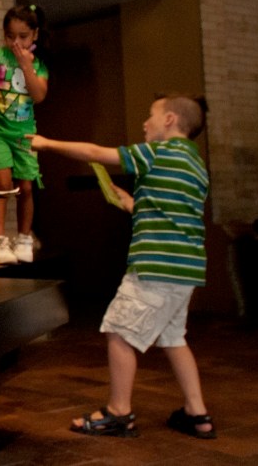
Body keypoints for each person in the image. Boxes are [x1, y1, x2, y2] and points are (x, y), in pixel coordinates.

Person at [29, 94, 215, 440]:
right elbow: (169, 213)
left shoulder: (159, 153)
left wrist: (46, 143)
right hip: (184, 270)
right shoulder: (195, 165)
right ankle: (197, 414)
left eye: (151, 115)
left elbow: (97, 154)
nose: (146, 123)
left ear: (171, 120)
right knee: (174, 338)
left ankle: (119, 413)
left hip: (155, 266)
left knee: (119, 331)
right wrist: (131, 202)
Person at [0, 4, 48, 264]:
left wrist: (26, 66)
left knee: (26, 187)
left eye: (23, 36)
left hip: (24, 135)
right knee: (2, 183)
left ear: (34, 35)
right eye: (10, 36)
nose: (15, 42)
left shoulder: (39, 64)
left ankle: (23, 238)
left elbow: (39, 95)